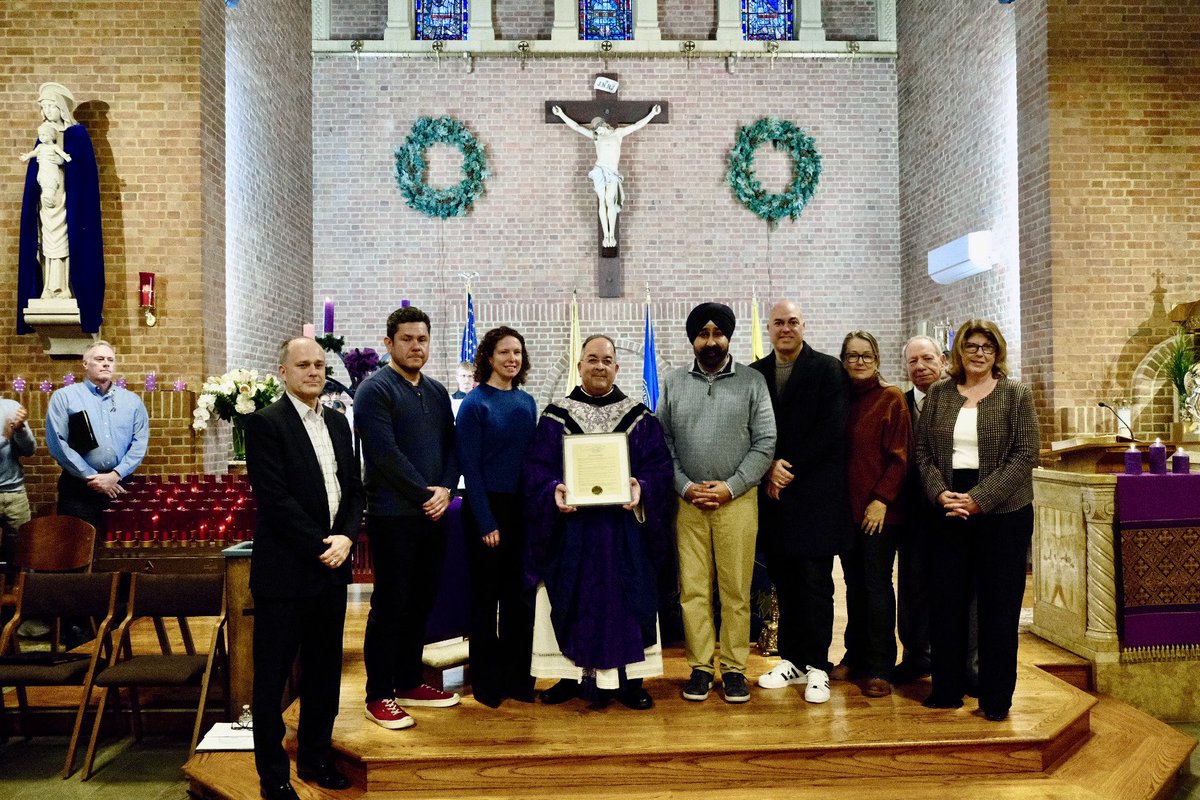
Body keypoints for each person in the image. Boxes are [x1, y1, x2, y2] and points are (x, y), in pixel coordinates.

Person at [524, 334, 675, 710]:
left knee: (628, 597)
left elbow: (659, 467)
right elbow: (536, 469)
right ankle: (569, 676)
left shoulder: (639, 416)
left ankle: (630, 679)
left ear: (616, 367)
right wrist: (553, 489)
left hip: (622, 531)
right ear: (579, 366)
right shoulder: (555, 415)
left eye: (606, 360)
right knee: (568, 596)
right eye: (592, 359)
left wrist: (642, 487)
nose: (599, 367)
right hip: (572, 531)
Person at [244, 337, 364, 800]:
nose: (314, 372)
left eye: (319, 364)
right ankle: (273, 775)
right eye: (303, 365)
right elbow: (274, 499)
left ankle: (316, 758)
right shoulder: (265, 424)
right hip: (286, 573)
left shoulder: (337, 422)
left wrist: (348, 536)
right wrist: (322, 544)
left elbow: (354, 490)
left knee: (323, 671)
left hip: (330, 571)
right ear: (284, 371)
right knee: (271, 677)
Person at [915, 319, 1039, 722]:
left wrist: (980, 500)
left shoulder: (1015, 394)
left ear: (997, 351)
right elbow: (923, 454)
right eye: (972, 346)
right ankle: (946, 689)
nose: (979, 353)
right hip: (948, 508)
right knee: (946, 603)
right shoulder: (938, 394)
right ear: (959, 352)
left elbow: (1025, 455)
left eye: (987, 346)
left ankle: (995, 697)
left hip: (1003, 512)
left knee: (998, 609)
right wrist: (939, 493)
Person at [658, 303, 776, 704]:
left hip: (737, 501)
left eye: (718, 333)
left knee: (736, 591)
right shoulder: (673, 383)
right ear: (693, 339)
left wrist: (731, 486)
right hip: (688, 504)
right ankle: (700, 667)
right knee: (692, 590)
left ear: (729, 336)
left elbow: (765, 442)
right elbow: (664, 444)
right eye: (703, 334)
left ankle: (736, 668)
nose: (711, 341)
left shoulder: (752, 382)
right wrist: (686, 486)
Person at [355, 306, 461, 731]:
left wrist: (447, 488)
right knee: (391, 604)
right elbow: (384, 456)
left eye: (422, 339)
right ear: (389, 343)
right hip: (394, 515)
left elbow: (453, 447)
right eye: (407, 339)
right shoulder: (374, 390)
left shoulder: (435, 391)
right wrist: (425, 495)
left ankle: (409, 680)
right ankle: (378, 693)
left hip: (432, 513)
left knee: (421, 601)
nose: (416, 346)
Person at [749, 301, 852, 705]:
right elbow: (751, 427)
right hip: (774, 499)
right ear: (769, 329)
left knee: (815, 585)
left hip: (815, 495)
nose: (785, 328)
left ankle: (817, 667)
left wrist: (786, 467)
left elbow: (832, 428)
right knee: (785, 583)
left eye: (793, 322)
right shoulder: (755, 374)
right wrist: (767, 468)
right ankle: (791, 659)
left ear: (803, 326)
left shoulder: (828, 370)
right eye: (778, 322)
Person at [455, 327, 538, 708]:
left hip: (522, 508)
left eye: (517, 352)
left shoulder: (527, 402)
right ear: (489, 357)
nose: (512, 359)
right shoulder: (475, 404)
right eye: (504, 352)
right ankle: (488, 683)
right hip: (486, 509)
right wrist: (486, 520)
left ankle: (519, 678)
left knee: (520, 599)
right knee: (486, 600)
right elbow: (470, 468)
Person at [835, 330, 910, 698]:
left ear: (877, 360)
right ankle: (855, 654)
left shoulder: (891, 398)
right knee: (853, 586)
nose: (859, 362)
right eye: (851, 356)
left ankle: (881, 665)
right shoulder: (841, 400)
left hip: (879, 512)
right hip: (846, 510)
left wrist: (881, 499)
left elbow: (900, 457)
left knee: (877, 585)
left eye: (866, 356)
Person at [17, 82, 105, 333]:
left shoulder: (77, 135)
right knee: (46, 243)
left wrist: (66, 164)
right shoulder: (42, 136)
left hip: (70, 205)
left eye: (50, 105)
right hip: (47, 204)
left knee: (68, 242)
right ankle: (48, 289)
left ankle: (65, 288)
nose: (46, 110)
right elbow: (34, 169)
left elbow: (86, 173)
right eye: (43, 106)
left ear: (61, 108)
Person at [45, 341, 149, 530]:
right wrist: (93, 477)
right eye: (100, 359)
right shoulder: (64, 397)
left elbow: (139, 442)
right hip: (79, 488)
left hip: (120, 486)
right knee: (76, 550)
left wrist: (115, 475)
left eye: (110, 359)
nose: (106, 363)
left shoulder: (132, 401)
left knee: (120, 550)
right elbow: (58, 445)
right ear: (85, 364)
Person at [894, 335, 946, 685]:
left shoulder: (958, 400)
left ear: (942, 361)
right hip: (911, 512)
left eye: (927, 359)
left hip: (950, 509)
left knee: (950, 584)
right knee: (911, 586)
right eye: (913, 361)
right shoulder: (898, 402)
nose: (920, 367)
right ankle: (915, 653)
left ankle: (950, 656)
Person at [550, 103, 662, 247]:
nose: (598, 132)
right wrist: (561, 115)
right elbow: (577, 128)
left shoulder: (618, 134)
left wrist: (652, 114)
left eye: (599, 129)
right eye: (596, 131)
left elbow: (637, 125)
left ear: (604, 125)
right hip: (599, 170)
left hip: (612, 172)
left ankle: (612, 234)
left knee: (610, 201)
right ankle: (606, 236)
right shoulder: (597, 138)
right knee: (602, 201)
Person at [0, 398, 35, 576]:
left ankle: (24, 597)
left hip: (15, 495)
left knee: (23, 552)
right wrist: (5, 438)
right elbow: (5, 439)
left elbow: (29, 450)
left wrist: (20, 429)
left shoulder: (11, 407)